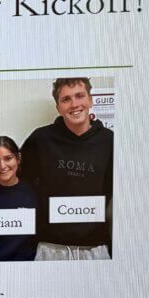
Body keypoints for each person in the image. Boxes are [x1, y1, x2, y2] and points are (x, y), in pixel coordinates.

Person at [21, 77, 113, 260]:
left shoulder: (110, 141)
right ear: (58, 107)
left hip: (95, 246)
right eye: (66, 99)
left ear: (90, 100)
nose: (74, 104)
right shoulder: (40, 139)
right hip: (50, 246)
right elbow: (22, 186)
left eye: (79, 96)